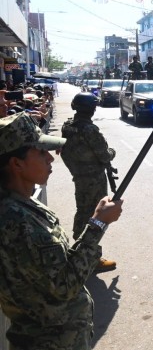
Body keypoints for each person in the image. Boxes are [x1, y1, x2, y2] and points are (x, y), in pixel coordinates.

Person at [0, 112, 123, 349]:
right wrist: (98, 224)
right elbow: (64, 285)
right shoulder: (15, 220)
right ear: (16, 164)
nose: (50, 158)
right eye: (41, 152)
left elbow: (58, 265)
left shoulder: (23, 203)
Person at [60, 92, 118, 272]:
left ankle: (78, 252)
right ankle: (91, 259)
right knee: (97, 217)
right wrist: (112, 151)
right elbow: (104, 155)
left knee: (82, 212)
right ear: (90, 109)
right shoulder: (89, 130)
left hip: (79, 175)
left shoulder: (68, 126)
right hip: (93, 178)